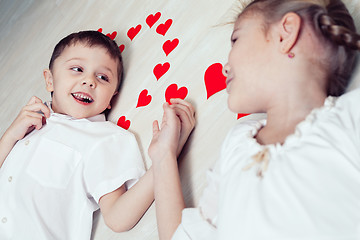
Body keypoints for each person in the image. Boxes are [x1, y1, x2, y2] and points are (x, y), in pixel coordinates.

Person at [148, 0, 360, 239]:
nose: (225, 67)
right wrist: (163, 154)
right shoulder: (237, 143)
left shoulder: (350, 116)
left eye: (235, 40)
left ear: (285, 34)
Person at [0, 30, 155, 239]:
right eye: (77, 69)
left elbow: (118, 217)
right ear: (50, 80)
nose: (89, 81)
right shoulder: (28, 122)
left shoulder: (103, 138)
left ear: (111, 98)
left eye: (103, 77)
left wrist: (165, 159)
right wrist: (10, 136)